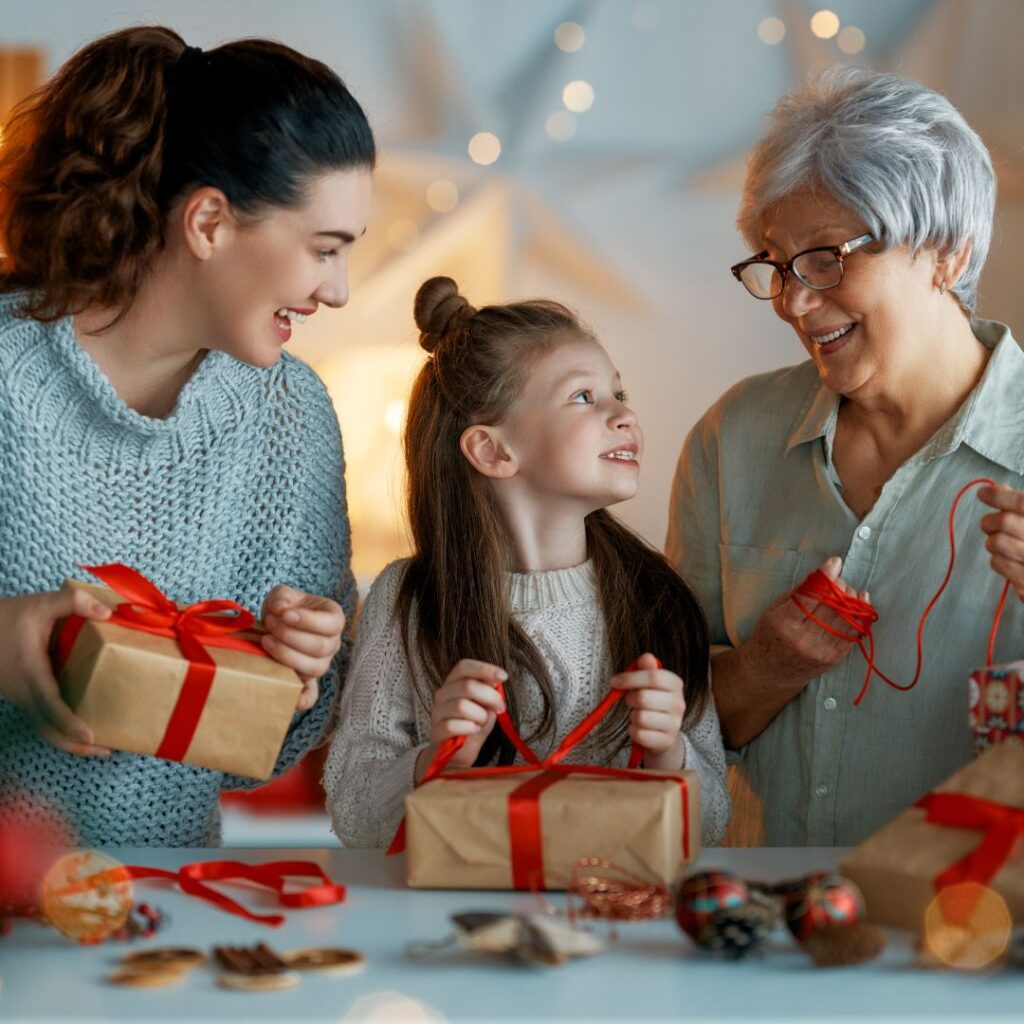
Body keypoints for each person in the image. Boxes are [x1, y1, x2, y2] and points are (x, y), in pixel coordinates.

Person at [0, 26, 375, 845]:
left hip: (164, 924)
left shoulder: (294, 419)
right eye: (324, 249)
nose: (338, 291)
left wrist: (301, 669)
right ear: (208, 222)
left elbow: (268, 750)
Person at [666, 67, 1024, 846]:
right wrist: (763, 668)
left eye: (826, 258)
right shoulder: (732, 439)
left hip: (972, 940)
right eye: (779, 263)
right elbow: (655, 723)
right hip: (754, 931)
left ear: (947, 255)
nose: (794, 300)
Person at [325, 277, 729, 848]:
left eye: (621, 394)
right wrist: (439, 760)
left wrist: (669, 754)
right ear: (493, 450)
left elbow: (712, 824)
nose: (624, 416)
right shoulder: (408, 599)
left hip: (619, 919)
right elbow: (354, 815)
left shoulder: (660, 598)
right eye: (584, 397)